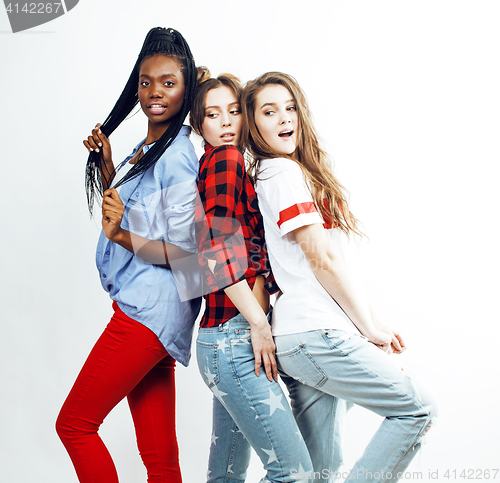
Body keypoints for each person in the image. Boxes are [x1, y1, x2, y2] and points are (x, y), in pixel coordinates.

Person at [242, 72, 437, 483]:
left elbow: (328, 262)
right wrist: (368, 327)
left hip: (302, 337)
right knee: (417, 409)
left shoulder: (284, 174)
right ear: (253, 125)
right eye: (268, 111)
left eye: (289, 107)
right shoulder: (280, 173)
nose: (283, 118)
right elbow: (322, 258)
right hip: (316, 333)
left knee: (315, 473)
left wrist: (365, 321)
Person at [55, 27, 201, 483]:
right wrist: (107, 164)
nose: (154, 92)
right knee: (160, 462)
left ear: (187, 87)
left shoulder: (177, 155)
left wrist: (120, 238)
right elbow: (136, 208)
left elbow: (186, 256)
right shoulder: (150, 147)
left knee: (75, 426)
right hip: (157, 314)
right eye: (145, 81)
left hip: (147, 312)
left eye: (169, 82)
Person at [191, 68, 313, 482]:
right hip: (234, 337)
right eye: (212, 114)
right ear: (198, 124)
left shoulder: (226, 165)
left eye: (232, 111)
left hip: (224, 339)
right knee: (293, 473)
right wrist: (259, 324)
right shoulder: (225, 161)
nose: (225, 122)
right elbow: (214, 251)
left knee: (225, 476)